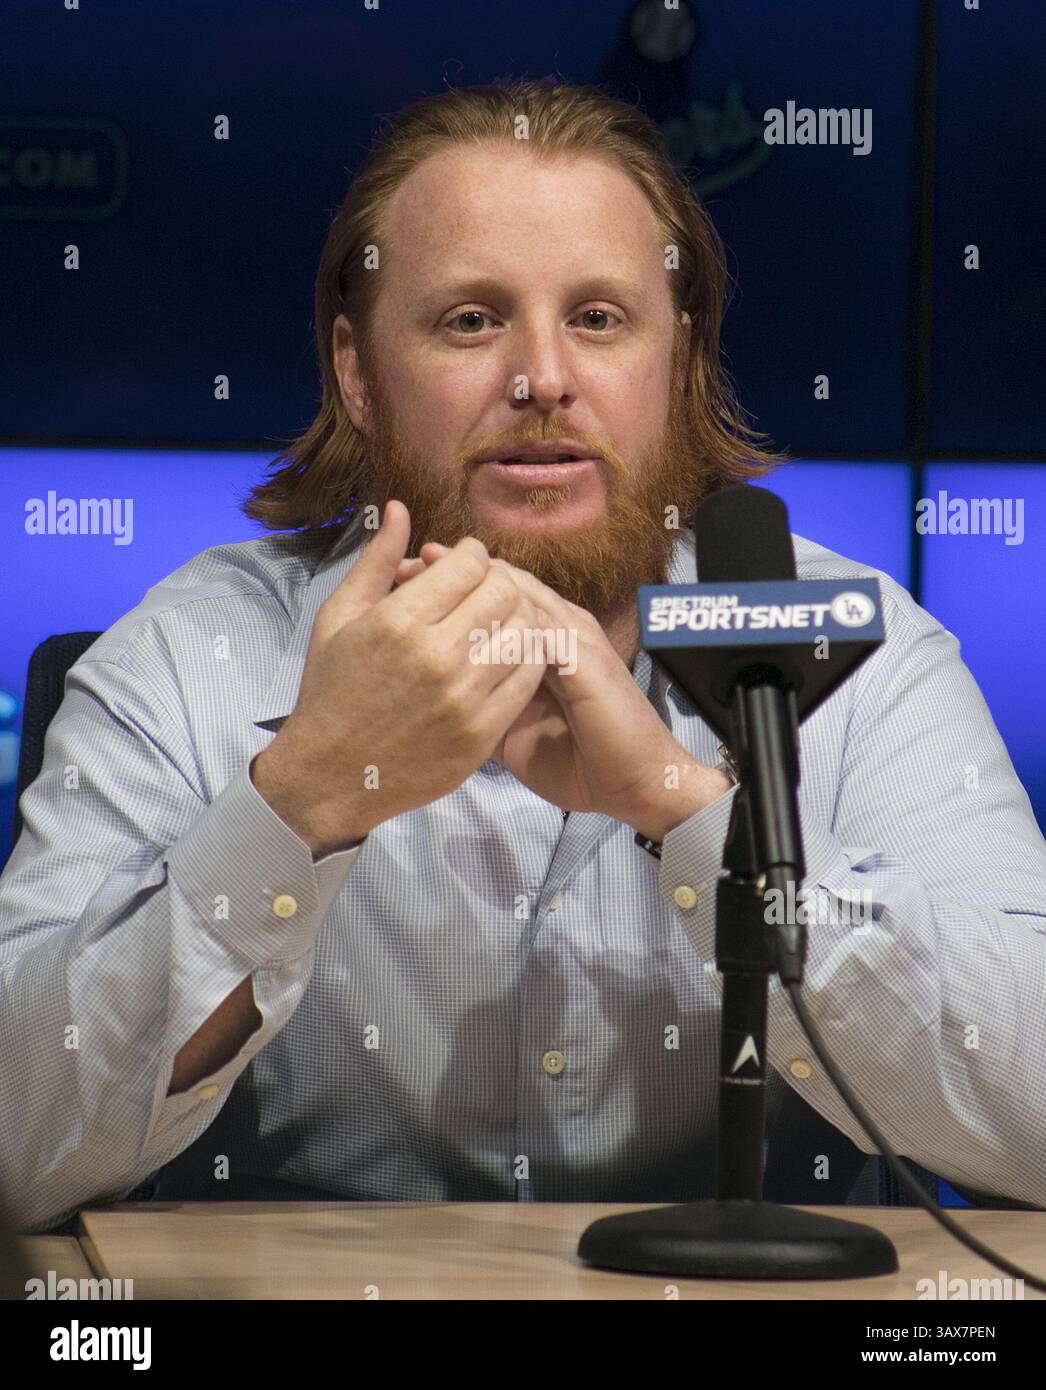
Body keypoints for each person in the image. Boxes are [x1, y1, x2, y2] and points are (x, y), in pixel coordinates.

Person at [2, 79, 1045, 1235]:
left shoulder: (852, 650)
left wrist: (686, 810)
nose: (542, 377)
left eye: (597, 318)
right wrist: (300, 800)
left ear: (679, 362)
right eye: (470, 320)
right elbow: (14, 1149)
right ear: (356, 371)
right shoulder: (188, 655)